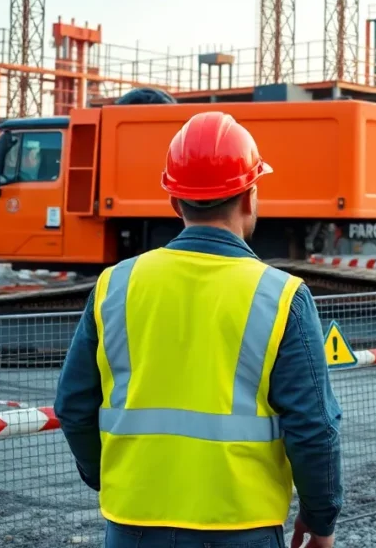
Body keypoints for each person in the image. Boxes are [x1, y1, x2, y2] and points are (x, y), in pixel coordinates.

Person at [54, 110, 344, 548]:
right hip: (241, 525)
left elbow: (73, 404)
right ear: (249, 197)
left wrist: (106, 476)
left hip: (132, 523)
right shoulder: (281, 295)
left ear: (175, 203)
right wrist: (321, 520)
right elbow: (314, 427)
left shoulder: (116, 284)